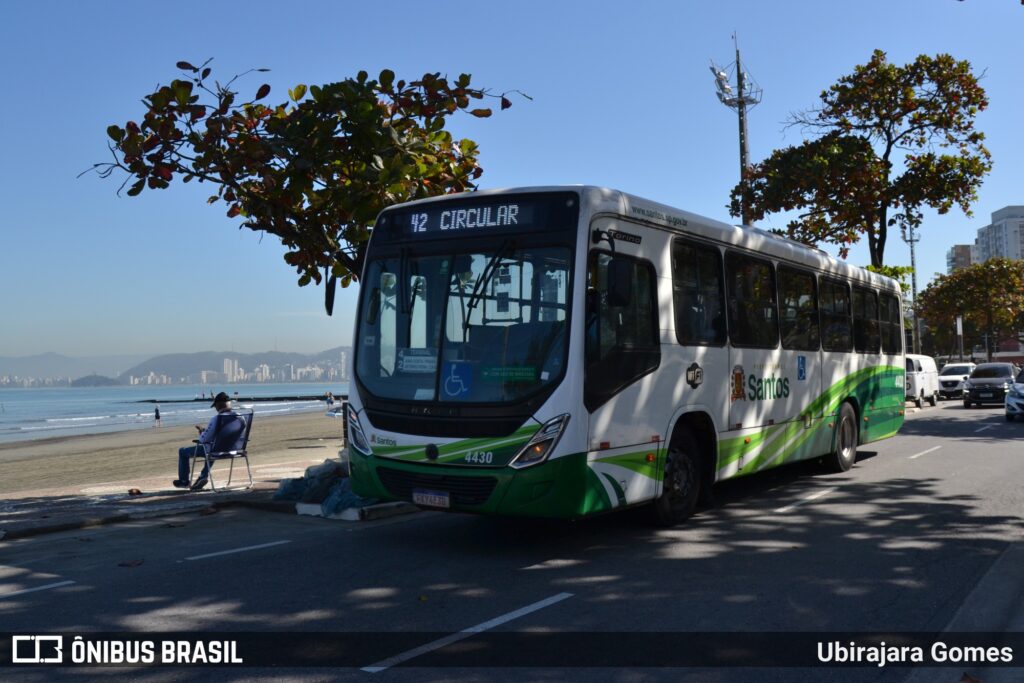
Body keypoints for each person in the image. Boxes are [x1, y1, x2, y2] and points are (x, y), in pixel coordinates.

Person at [173, 391, 235, 491]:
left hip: (216, 450)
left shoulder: (217, 419)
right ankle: (203, 476)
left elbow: (203, 439)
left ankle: (184, 481)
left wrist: (202, 432)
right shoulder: (240, 418)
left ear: (218, 405)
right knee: (213, 447)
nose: (215, 408)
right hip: (234, 450)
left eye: (215, 406)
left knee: (183, 451)